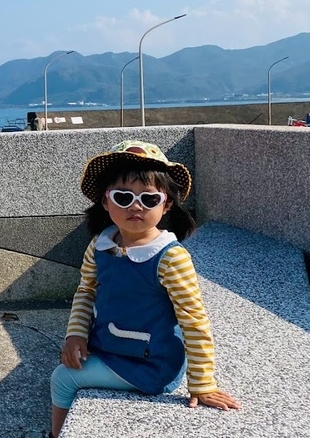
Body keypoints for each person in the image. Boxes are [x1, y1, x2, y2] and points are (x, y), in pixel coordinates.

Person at [49, 140, 239, 437]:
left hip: (149, 363)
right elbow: (87, 291)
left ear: (167, 204)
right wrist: (75, 334)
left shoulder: (170, 257)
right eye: (123, 197)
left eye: (149, 199)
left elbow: (193, 319)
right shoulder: (100, 245)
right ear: (105, 201)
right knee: (68, 362)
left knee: (62, 378)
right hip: (108, 348)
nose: (135, 206)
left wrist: (202, 383)